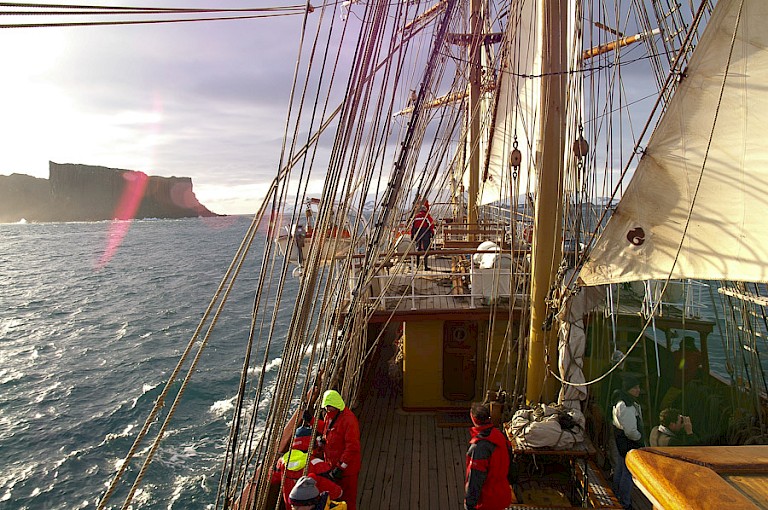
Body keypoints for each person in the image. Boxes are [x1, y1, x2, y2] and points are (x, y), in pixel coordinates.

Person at [317, 390, 360, 510]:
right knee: (336, 496)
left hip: (346, 471)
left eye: (328, 408)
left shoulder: (349, 420)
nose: (326, 410)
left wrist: (341, 467)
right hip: (333, 465)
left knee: (348, 499)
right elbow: (327, 430)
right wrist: (311, 421)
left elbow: (352, 447)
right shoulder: (330, 416)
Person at [464, 402, 512, 510]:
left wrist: (469, 504)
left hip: (486, 502)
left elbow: (475, 479)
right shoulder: (500, 435)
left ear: (474, 420)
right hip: (503, 495)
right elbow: (511, 463)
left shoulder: (479, 447)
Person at [612, 374, 644, 509]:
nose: (638, 390)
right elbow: (630, 431)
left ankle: (616, 494)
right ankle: (625, 502)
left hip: (621, 441)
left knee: (620, 468)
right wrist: (639, 438)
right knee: (628, 472)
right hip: (628, 443)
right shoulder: (627, 406)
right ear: (628, 389)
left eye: (638, 387)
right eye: (635, 388)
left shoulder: (620, 401)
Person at [411, 204, 435, 269]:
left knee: (418, 249)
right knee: (426, 249)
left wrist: (412, 236)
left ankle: (417, 265)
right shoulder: (427, 217)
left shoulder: (416, 217)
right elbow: (431, 226)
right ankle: (425, 266)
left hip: (417, 234)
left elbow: (412, 227)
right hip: (425, 234)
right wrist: (432, 234)